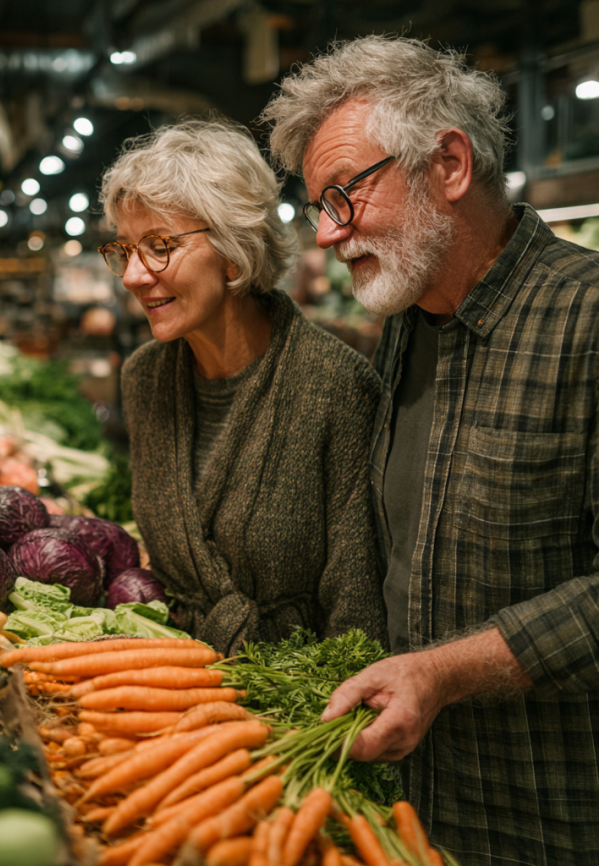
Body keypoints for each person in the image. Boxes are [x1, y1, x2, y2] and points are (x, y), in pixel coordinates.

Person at [262, 35, 599, 865]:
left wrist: (442, 673)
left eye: (345, 195)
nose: (331, 236)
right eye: (319, 207)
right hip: (413, 805)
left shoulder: (586, 321)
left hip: (551, 815)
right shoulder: (408, 329)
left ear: (448, 165)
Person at [98, 118, 387, 656]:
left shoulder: (335, 387)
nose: (134, 275)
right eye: (124, 250)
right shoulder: (144, 378)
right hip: (173, 681)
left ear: (234, 249)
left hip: (294, 702)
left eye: (159, 245)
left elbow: (358, 610)